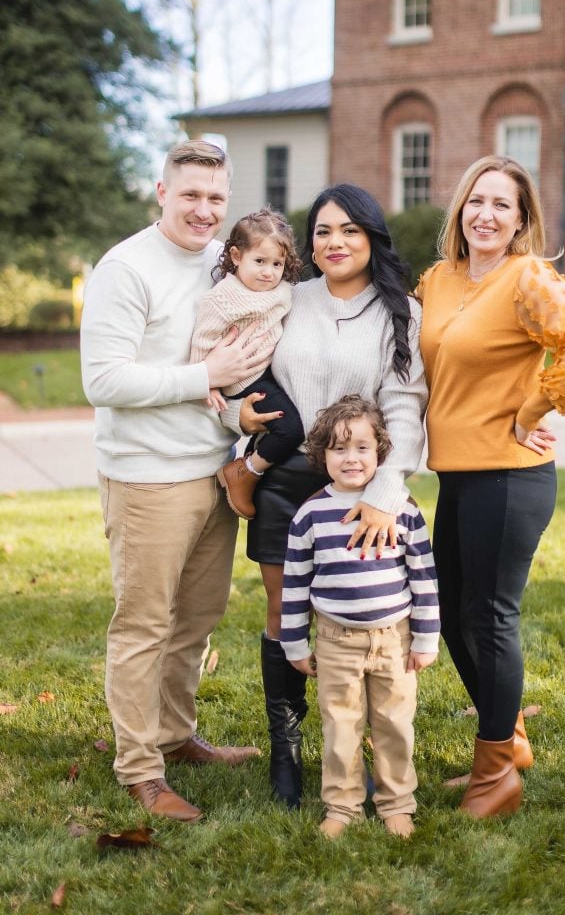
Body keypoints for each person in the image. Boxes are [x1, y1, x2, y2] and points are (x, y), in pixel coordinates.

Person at [416, 155, 565, 818]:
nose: (486, 215)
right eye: (477, 201)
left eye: (502, 205)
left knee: (490, 618)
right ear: (460, 210)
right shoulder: (438, 281)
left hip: (509, 476)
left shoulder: (526, 278)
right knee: (448, 614)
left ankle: (494, 776)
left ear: (521, 220)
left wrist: (530, 410)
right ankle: (508, 739)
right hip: (456, 474)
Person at [80, 140, 271, 823]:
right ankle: (140, 771)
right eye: (189, 194)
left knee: (194, 620)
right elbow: (101, 379)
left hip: (212, 474)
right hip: (147, 482)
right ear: (161, 192)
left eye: (215, 198)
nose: (203, 209)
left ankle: (174, 734)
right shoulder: (125, 268)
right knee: (143, 625)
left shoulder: (223, 264)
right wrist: (204, 377)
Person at [227, 183, 428, 810]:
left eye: (349, 230)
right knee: (283, 610)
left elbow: (404, 402)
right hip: (285, 479)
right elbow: (240, 367)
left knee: (362, 617)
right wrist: (238, 422)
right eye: (322, 231)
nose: (334, 242)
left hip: (360, 486)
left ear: (372, 237)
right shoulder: (287, 299)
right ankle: (285, 754)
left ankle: (358, 748)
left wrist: (386, 494)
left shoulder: (400, 312)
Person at [280, 396, 440, 839]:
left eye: (362, 448)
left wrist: (426, 639)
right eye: (339, 449)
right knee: (341, 726)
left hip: (395, 639)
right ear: (321, 456)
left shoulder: (402, 509)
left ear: (380, 452)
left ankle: (396, 803)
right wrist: (295, 644)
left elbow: (423, 576)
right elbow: (295, 584)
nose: (351, 458)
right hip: (335, 639)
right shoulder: (311, 514)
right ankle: (343, 806)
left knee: (393, 724)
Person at [189, 207, 305, 519]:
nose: (269, 271)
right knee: (292, 429)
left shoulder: (281, 291)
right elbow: (202, 340)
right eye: (260, 261)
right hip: (245, 379)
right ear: (237, 257)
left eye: (277, 263)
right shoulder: (224, 297)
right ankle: (244, 472)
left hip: (268, 371)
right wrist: (206, 381)